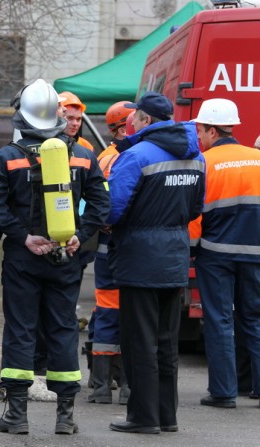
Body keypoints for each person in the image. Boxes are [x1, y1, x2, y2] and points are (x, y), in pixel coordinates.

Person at [0, 79, 109, 435]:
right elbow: (102, 204)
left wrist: (23, 237)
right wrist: (78, 237)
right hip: (66, 257)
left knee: (21, 330)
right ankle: (65, 417)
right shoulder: (83, 154)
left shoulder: (8, 156)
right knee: (64, 330)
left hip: (25, 259)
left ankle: (17, 415)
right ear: (56, 115)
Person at [107, 92, 205, 434]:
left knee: (140, 341)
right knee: (167, 342)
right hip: (175, 257)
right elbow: (195, 208)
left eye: (135, 117)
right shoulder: (196, 157)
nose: (131, 122)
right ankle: (168, 416)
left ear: (146, 120)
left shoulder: (135, 156)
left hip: (140, 260)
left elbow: (113, 209)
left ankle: (143, 418)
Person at [189, 98, 260, 409]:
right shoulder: (257, 158)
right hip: (257, 254)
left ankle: (223, 392)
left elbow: (194, 216)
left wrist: (189, 252)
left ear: (212, 131)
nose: (199, 137)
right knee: (255, 320)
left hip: (216, 255)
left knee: (220, 321)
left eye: (201, 131)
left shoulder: (205, 163)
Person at [86, 100, 134, 406]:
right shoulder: (137, 156)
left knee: (106, 312)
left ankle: (101, 386)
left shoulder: (103, 158)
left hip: (105, 247)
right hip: (130, 245)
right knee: (132, 313)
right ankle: (127, 386)